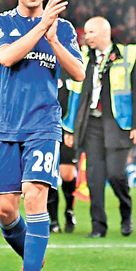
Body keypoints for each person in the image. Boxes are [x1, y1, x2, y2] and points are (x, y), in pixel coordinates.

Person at [0, 0, 84, 271]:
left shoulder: (64, 28)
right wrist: (42, 25)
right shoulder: (0, 21)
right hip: (7, 126)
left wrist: (54, 39)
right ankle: (34, 254)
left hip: (44, 124)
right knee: (4, 208)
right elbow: (7, 57)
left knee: (34, 194)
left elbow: (79, 72)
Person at [63, 17, 136, 238]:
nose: (86, 36)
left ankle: (126, 212)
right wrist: (69, 128)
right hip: (90, 124)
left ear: (104, 33)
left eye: (91, 32)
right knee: (94, 178)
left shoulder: (127, 55)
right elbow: (75, 95)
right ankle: (98, 226)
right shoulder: (82, 57)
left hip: (118, 124)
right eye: (86, 32)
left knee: (116, 174)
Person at [46, 69, 78, 233]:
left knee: (67, 174)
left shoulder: (72, 67)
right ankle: (53, 220)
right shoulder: (44, 67)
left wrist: (72, 128)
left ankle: (69, 211)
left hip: (67, 128)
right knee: (49, 174)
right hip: (45, 127)